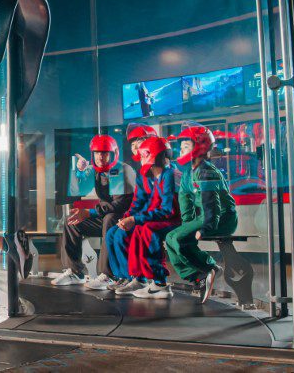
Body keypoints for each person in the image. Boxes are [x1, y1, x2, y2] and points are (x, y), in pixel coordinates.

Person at [52, 135, 135, 290]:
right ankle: (75, 272)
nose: (100, 157)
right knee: (72, 221)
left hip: (125, 219)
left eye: (104, 153)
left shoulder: (122, 170)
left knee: (110, 218)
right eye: (97, 153)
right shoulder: (96, 171)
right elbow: (77, 189)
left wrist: (90, 212)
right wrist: (80, 171)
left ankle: (108, 275)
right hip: (105, 216)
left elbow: (120, 204)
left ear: (113, 154)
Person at [166, 122, 237, 303]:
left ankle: (209, 268)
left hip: (223, 218)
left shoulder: (207, 172)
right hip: (205, 216)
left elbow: (212, 205)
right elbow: (185, 203)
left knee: (179, 238)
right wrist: (187, 226)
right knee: (170, 238)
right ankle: (198, 277)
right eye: (181, 147)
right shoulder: (188, 173)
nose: (181, 150)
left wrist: (205, 228)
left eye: (186, 146)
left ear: (199, 147)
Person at [106, 137, 181, 299]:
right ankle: (132, 277)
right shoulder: (149, 174)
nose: (139, 159)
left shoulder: (169, 175)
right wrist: (127, 218)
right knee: (113, 233)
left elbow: (167, 210)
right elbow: (139, 201)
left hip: (166, 219)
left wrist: (135, 220)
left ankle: (156, 282)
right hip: (153, 217)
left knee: (144, 230)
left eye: (142, 155)